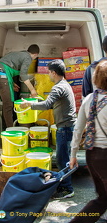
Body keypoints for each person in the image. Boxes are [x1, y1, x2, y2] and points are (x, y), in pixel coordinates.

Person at [20, 59, 77, 199]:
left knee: (62, 160)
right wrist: (38, 101)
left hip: (65, 129)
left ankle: (67, 189)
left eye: (49, 73)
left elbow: (47, 105)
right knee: (64, 158)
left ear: (54, 73)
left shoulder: (58, 87)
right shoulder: (64, 85)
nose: (48, 76)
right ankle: (65, 186)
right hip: (67, 127)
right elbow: (50, 104)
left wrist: (29, 104)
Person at [69, 60, 107, 223]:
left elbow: (78, 130)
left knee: (103, 199)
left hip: (92, 155)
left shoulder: (89, 99)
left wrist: (73, 155)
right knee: (103, 200)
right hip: (106, 155)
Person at [0, 44, 40, 128]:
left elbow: (7, 67)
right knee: (8, 105)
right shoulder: (28, 58)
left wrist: (11, 83)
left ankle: (5, 128)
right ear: (36, 54)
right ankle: (11, 130)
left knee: (6, 104)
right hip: (3, 76)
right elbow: (23, 75)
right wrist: (32, 90)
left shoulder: (20, 54)